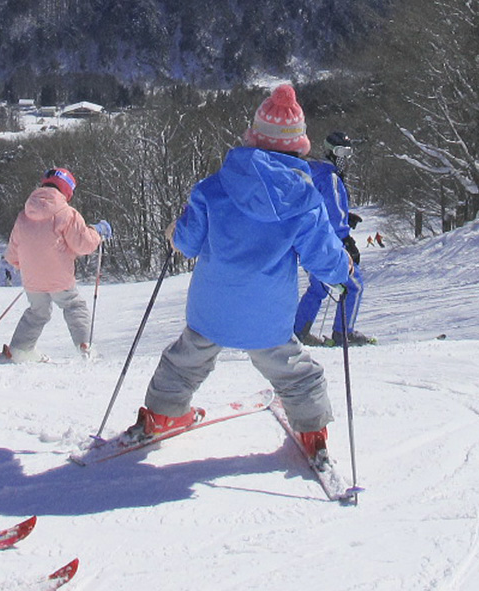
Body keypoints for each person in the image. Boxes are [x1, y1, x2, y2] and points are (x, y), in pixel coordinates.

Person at [127, 83, 354, 459]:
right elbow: (323, 259)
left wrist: (174, 232)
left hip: (210, 309)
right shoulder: (305, 200)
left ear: (252, 137)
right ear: (299, 145)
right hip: (268, 317)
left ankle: (163, 416)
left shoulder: (212, 188)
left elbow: (186, 242)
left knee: (184, 362)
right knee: (296, 373)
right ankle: (313, 431)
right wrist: (342, 268)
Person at [0, 167, 109, 361]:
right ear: (67, 190)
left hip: (32, 279)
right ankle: (85, 346)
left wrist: (26, 266)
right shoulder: (67, 214)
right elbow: (83, 244)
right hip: (59, 277)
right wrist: (98, 232)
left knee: (37, 312)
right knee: (73, 306)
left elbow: (12, 252)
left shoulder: (23, 215)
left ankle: (19, 350)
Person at [292, 131, 369, 345]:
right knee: (355, 286)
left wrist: (347, 215)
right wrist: (346, 240)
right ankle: (344, 333)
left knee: (319, 287)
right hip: (329, 244)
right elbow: (334, 215)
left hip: (308, 243)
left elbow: (321, 207)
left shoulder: (312, 172)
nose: (344, 157)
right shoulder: (330, 177)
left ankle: (299, 332)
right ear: (330, 151)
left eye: (348, 152)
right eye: (340, 152)